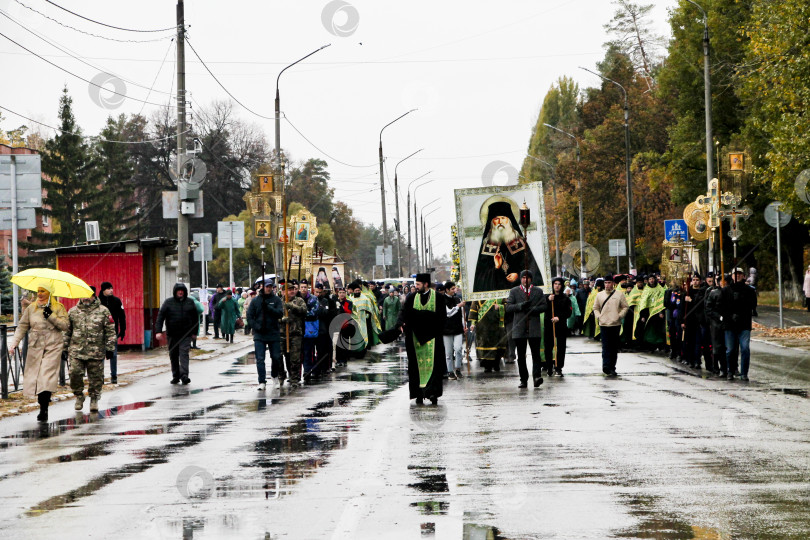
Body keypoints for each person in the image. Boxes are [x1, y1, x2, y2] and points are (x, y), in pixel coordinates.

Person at [8, 283, 69, 422]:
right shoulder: (31, 308)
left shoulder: (58, 307)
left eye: (43, 291)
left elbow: (65, 326)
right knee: (36, 377)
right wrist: (14, 343)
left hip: (53, 346)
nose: (40, 294)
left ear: (49, 293)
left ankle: (43, 408)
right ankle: (43, 405)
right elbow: (23, 326)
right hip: (35, 346)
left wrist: (51, 316)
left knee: (45, 377)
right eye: (38, 291)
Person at [397, 273, 447, 405]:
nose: (415, 287)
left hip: (433, 338)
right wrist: (400, 323)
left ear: (425, 284)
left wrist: (419, 317)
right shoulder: (412, 297)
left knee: (434, 367)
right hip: (415, 339)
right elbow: (404, 313)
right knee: (416, 368)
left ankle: (432, 394)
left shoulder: (438, 298)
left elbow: (442, 318)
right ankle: (418, 394)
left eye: (418, 284)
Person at [473, 201, 542, 292]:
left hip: (519, 290)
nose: (500, 222)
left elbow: (531, 267)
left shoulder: (519, 243)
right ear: (492, 223)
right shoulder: (488, 245)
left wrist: (518, 275)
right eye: (496, 219)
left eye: (503, 218)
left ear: (509, 221)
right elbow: (481, 277)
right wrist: (496, 267)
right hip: (496, 291)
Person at [66, 288, 116, 412]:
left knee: (96, 378)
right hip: (76, 351)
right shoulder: (73, 312)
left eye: (89, 296)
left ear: (94, 296)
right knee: (74, 374)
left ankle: (94, 398)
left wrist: (110, 348)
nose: (86, 298)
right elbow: (67, 331)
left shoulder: (103, 311)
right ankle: (79, 396)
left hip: (96, 351)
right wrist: (63, 348)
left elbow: (110, 330)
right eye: (83, 296)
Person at [505, 270, 548, 388]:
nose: (525, 280)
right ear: (520, 279)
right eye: (523, 278)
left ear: (531, 279)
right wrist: (520, 306)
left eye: (528, 278)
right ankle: (523, 379)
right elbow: (508, 307)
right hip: (519, 327)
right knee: (521, 355)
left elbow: (544, 306)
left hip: (534, 327)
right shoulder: (514, 291)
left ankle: (536, 377)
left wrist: (533, 309)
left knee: (536, 354)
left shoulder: (538, 291)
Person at [155, 283, 202, 385]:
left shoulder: (190, 302)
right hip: (172, 334)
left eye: (182, 290)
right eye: (178, 290)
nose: (180, 292)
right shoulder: (168, 303)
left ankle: (184, 375)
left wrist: (194, 332)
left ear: (185, 292)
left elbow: (195, 318)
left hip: (186, 334)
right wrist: (158, 331)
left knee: (184, 354)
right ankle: (176, 375)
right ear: (175, 292)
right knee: (174, 355)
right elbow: (160, 317)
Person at [720, 268, 758, 381]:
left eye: (740, 274)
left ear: (743, 276)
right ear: (732, 276)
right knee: (730, 350)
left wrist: (741, 305)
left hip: (744, 323)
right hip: (730, 324)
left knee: (745, 348)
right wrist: (730, 315)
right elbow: (721, 307)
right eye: (735, 274)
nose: (737, 276)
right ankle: (730, 371)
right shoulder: (726, 290)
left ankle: (744, 373)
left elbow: (752, 305)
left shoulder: (749, 290)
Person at [247, 279, 284, 390]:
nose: (268, 288)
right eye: (267, 286)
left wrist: (268, 307)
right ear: (262, 287)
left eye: (270, 286)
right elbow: (250, 316)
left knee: (276, 357)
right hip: (260, 334)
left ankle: (274, 375)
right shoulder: (255, 301)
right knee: (260, 358)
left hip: (273, 332)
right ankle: (262, 381)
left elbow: (280, 313)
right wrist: (256, 327)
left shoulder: (276, 300)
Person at [593, 275, 629, 377]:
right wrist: (599, 316)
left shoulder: (619, 294)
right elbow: (595, 308)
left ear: (613, 283)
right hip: (604, 324)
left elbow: (625, 307)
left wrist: (620, 316)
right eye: (606, 283)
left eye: (609, 283)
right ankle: (605, 366)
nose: (607, 285)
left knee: (613, 347)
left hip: (615, 323)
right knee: (605, 346)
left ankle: (612, 367)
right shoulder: (599, 295)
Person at [98, 281, 126, 384]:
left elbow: (122, 316)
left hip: (112, 332)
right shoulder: (98, 301)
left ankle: (114, 375)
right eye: (108, 288)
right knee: (100, 354)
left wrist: (123, 330)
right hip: (99, 332)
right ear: (103, 290)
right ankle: (100, 376)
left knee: (113, 354)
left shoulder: (117, 301)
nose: (111, 290)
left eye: (112, 288)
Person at [280, 280, 307, 387]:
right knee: (281, 356)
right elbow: (274, 316)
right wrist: (282, 320)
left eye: (292, 289)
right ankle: (283, 374)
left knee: (294, 358)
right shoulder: (279, 302)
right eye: (289, 290)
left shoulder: (299, 300)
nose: (291, 292)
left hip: (295, 333)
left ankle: (295, 378)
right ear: (283, 292)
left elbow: (304, 310)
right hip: (282, 334)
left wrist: (292, 306)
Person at [468, 298, 506, 372]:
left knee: (497, 344)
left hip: (497, 325)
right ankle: (487, 366)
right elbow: (474, 310)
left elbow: (507, 305)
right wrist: (473, 323)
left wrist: (500, 307)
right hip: (483, 326)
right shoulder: (477, 296)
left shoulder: (500, 295)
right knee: (484, 344)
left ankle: (496, 364)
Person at [545, 277, 573, 376]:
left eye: (559, 284)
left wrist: (559, 317)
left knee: (561, 347)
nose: (557, 286)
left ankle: (558, 367)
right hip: (549, 325)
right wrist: (548, 300)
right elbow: (543, 308)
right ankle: (549, 367)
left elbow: (568, 312)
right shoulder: (547, 297)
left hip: (561, 326)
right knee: (548, 347)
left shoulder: (565, 298)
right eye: (555, 284)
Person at [441, 281, 466, 380]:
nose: (454, 290)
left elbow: (462, 314)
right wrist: (458, 306)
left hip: (458, 328)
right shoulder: (442, 300)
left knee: (458, 348)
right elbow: (448, 313)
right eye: (452, 289)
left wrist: (464, 325)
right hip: (446, 329)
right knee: (448, 352)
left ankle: (458, 369)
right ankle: (450, 371)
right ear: (447, 290)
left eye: (455, 288)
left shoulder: (457, 299)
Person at [635, 274, 667, 352]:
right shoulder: (646, 290)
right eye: (650, 279)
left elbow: (662, 300)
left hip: (658, 310)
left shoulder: (660, 288)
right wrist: (643, 315)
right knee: (648, 328)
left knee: (658, 328)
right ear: (648, 281)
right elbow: (643, 303)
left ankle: (659, 344)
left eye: (653, 279)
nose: (651, 280)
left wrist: (660, 312)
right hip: (648, 312)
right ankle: (649, 345)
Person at [704, 273, 726, 377]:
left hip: (727, 322)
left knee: (728, 346)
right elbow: (708, 308)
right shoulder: (712, 292)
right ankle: (716, 366)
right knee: (717, 346)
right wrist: (717, 317)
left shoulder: (729, 292)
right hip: (715, 323)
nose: (723, 283)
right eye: (721, 281)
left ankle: (729, 368)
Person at [299, 280, 321, 381]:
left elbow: (314, 312)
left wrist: (302, 313)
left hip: (310, 328)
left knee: (309, 351)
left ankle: (307, 371)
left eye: (305, 287)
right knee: (299, 352)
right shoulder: (296, 298)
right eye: (302, 287)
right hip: (298, 329)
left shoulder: (313, 299)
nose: (303, 289)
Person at [315, 283, 339, 374]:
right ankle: (317, 368)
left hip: (324, 328)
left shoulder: (326, 301)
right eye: (317, 292)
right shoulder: (312, 300)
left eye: (320, 292)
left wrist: (319, 309)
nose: (318, 294)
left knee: (324, 350)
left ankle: (325, 367)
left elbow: (326, 312)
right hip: (314, 328)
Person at [664, 280, 684, 361]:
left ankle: (679, 352)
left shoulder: (680, 292)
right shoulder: (668, 291)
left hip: (678, 315)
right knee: (672, 333)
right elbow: (665, 303)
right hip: (671, 314)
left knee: (679, 334)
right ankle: (673, 350)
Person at [334, 286, 353, 367]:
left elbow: (348, 312)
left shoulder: (349, 302)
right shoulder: (335, 302)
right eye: (340, 293)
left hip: (345, 325)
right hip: (337, 325)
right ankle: (338, 360)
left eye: (343, 293)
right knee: (337, 344)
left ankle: (344, 360)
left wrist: (341, 307)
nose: (342, 294)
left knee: (344, 343)